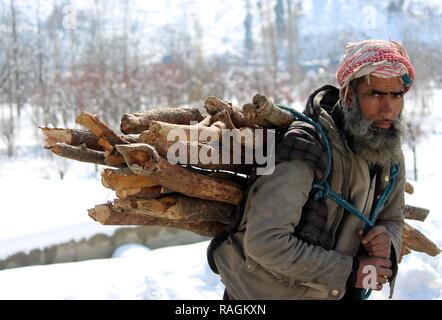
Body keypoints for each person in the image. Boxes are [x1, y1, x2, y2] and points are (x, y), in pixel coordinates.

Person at [209, 39, 415, 300]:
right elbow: (265, 242)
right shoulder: (306, 148)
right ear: (349, 96)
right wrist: (351, 272)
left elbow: (393, 217)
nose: (389, 109)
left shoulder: (388, 150)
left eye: (396, 95)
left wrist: (388, 239)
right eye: (376, 94)